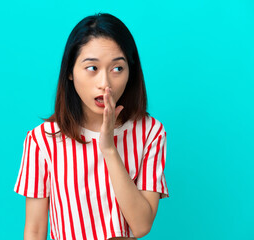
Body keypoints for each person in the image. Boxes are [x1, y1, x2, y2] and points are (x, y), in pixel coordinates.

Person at [14, 13, 169, 240]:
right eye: (92, 68)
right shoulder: (42, 140)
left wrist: (108, 149)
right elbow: (35, 230)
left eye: (117, 69)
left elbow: (142, 225)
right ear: (70, 71)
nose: (105, 83)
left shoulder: (150, 133)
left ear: (130, 73)